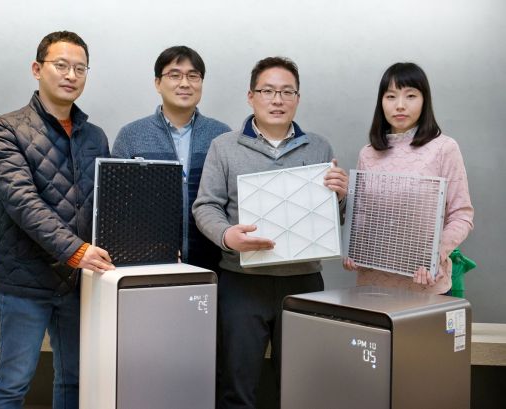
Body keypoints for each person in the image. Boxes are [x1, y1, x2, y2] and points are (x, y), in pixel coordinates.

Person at [192, 56, 348, 409]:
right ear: (251, 96)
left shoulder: (319, 147)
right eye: (267, 91)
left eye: (286, 92)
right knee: (237, 386)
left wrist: (340, 197)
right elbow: (205, 206)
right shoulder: (224, 146)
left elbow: (333, 217)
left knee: (300, 387)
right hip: (241, 283)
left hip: (304, 283)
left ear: (297, 98)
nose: (277, 100)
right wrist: (227, 236)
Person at [0, 31, 115, 408]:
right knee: (12, 383)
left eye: (80, 68)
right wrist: (76, 251)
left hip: (77, 284)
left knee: (75, 381)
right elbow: (22, 202)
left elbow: (104, 207)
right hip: (24, 282)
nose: (71, 75)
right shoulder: (6, 129)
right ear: (37, 69)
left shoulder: (95, 137)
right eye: (61, 65)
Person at [343, 62, 474, 295]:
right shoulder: (368, 153)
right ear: (381, 102)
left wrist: (435, 256)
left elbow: (462, 215)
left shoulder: (444, 148)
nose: (400, 105)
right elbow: (361, 215)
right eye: (391, 96)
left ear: (424, 100)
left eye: (411, 95)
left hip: (425, 282)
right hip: (372, 284)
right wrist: (353, 249)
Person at [112, 46, 231, 271]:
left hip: (213, 265)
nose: (185, 83)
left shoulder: (221, 135)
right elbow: (117, 208)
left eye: (193, 76)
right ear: (158, 83)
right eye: (175, 75)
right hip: (148, 263)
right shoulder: (131, 136)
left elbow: (232, 202)